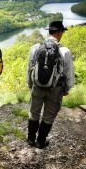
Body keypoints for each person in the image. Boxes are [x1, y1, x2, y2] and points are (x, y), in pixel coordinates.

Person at [26, 21, 74, 149]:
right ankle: (41, 141)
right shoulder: (65, 51)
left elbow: (30, 67)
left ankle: (30, 138)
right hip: (55, 88)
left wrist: (30, 83)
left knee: (34, 112)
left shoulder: (36, 48)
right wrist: (67, 88)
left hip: (37, 86)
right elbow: (68, 73)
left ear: (49, 32)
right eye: (62, 32)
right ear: (59, 33)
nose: (62, 34)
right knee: (48, 115)